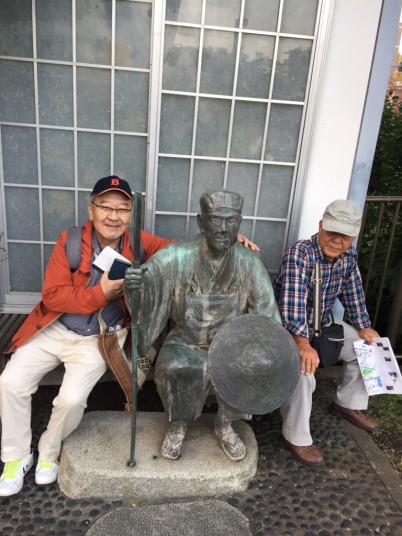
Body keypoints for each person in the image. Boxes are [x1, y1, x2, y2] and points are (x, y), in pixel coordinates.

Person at [0, 176, 258, 497]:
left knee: (71, 399)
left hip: (99, 338)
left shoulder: (139, 243)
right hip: (54, 329)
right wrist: (101, 293)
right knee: (9, 383)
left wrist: (224, 235)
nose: (114, 216)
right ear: (91, 209)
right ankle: (15, 457)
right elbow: (52, 296)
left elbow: (180, 248)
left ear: (130, 214)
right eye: (106, 207)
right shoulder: (70, 242)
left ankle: (48, 452)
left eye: (122, 209)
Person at [125, 188, 282, 462]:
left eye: (231, 221)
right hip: (186, 340)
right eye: (216, 220)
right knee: (174, 366)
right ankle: (178, 425)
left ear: (239, 223)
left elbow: (265, 316)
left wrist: (263, 348)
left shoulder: (249, 263)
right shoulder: (178, 256)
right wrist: (136, 286)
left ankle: (225, 425)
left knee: (249, 364)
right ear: (201, 222)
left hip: (233, 344)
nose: (223, 228)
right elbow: (149, 283)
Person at [273, 199, 379, 467]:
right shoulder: (300, 254)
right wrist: (302, 344)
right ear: (321, 226)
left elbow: (353, 294)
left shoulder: (349, 257)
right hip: (288, 330)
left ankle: (348, 403)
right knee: (303, 370)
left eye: (345, 235)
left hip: (321, 326)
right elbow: (292, 308)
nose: (337, 240)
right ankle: (295, 436)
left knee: (366, 346)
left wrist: (364, 326)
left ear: (353, 237)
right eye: (332, 231)